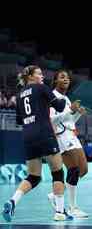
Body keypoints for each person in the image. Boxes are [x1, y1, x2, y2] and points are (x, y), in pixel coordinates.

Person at [2, 65, 72, 222]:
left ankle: (13, 201)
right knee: (58, 173)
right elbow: (60, 107)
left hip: (28, 136)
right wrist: (59, 98)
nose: (42, 76)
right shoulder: (41, 88)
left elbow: (20, 120)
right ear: (31, 77)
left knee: (34, 176)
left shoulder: (19, 95)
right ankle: (60, 212)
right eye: (39, 74)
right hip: (44, 133)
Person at [47, 70, 89, 218]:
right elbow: (51, 120)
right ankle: (73, 207)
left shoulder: (66, 98)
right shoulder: (51, 97)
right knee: (74, 169)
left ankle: (55, 194)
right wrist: (69, 112)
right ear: (55, 81)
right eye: (62, 77)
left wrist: (77, 113)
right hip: (61, 137)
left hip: (72, 135)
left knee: (83, 170)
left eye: (67, 78)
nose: (66, 79)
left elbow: (69, 121)